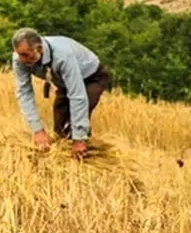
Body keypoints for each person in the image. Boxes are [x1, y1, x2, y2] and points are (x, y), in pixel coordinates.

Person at [11, 28, 114, 159]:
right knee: (60, 129)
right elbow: (24, 93)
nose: (22, 59)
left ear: (39, 49)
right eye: (19, 54)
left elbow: (78, 96)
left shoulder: (63, 56)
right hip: (63, 81)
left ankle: (85, 155)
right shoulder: (19, 59)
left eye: (25, 55)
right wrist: (37, 130)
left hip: (92, 77)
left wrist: (79, 139)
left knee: (73, 125)